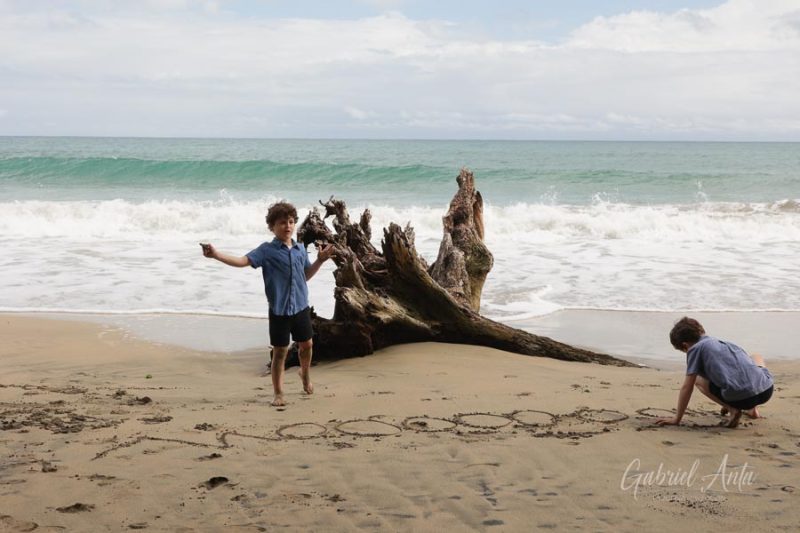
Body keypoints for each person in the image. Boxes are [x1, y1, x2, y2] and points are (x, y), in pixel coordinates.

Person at [200, 202, 334, 407]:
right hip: (279, 311)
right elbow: (242, 261)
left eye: (291, 222)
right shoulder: (266, 250)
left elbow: (305, 276)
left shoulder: (299, 249)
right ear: (272, 227)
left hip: (300, 307)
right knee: (280, 352)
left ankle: (305, 374)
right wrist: (216, 255)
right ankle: (279, 393)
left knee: (307, 345)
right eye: (282, 223)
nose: (287, 226)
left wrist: (320, 261)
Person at [656, 317, 774, 428]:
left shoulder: (695, 349)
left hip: (741, 399)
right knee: (755, 357)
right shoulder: (725, 343)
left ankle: (733, 410)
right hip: (766, 390)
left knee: (698, 380)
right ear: (701, 331)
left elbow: (687, 387)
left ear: (685, 346)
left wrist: (677, 419)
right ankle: (752, 409)